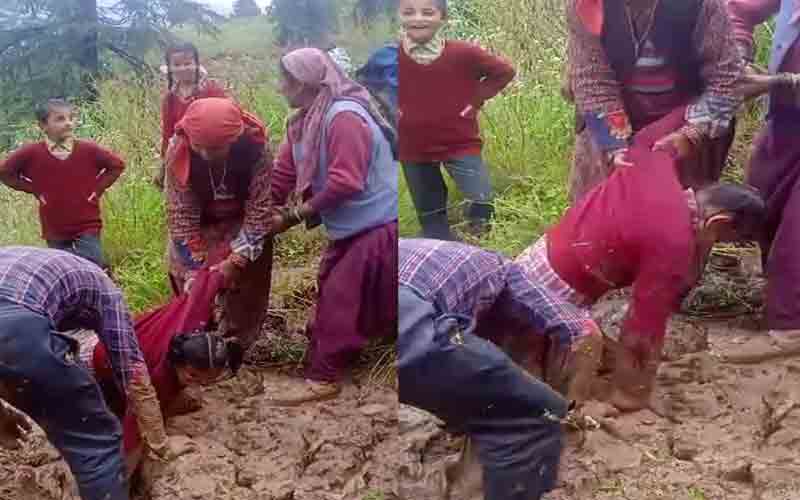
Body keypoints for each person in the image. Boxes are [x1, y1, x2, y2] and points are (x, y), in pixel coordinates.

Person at [514, 109, 766, 412]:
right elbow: (642, 329)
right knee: (552, 361)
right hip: (561, 290)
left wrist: (709, 107)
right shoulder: (674, 244)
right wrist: (633, 394)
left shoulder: (654, 159)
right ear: (718, 223)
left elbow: (672, 121)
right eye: (722, 240)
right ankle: (558, 404)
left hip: (532, 260)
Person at [398, 238, 600, 500]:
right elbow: (587, 335)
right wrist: (574, 407)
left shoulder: (445, 265)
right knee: (537, 414)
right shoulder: (508, 275)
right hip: (407, 320)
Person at [268, 48, 398, 405]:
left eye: (285, 80)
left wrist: (291, 217)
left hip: (377, 223)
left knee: (340, 297)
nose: (280, 87)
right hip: (350, 226)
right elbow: (283, 174)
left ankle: (324, 378)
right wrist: (261, 211)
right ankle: (359, 350)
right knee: (337, 288)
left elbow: (346, 182)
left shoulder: (344, 117)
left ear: (304, 82)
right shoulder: (303, 122)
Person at [0, 246, 176, 500]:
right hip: (15, 328)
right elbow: (133, 372)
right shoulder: (107, 292)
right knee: (97, 445)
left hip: (13, 321)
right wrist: (159, 442)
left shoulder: (19, 257)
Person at [564, 0, 743, 203]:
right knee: (604, 204)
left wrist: (692, 133)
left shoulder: (704, 5)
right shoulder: (585, 5)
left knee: (678, 207)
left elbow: (726, 77)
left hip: (684, 121)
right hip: (612, 119)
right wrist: (614, 145)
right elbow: (592, 78)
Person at [76, 270, 243, 475]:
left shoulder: (193, 319)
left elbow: (212, 278)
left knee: (191, 399)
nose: (202, 386)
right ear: (189, 373)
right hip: (88, 366)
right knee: (118, 422)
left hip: (111, 344)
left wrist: (227, 269)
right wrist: (127, 476)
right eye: (201, 380)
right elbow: (134, 431)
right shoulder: (158, 380)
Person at [721, 0, 800, 363]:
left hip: (787, 95)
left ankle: (789, 325)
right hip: (787, 117)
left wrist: (774, 83)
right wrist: (739, 54)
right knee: (761, 198)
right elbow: (740, 8)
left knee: (796, 229)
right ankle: (781, 294)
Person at [398, 0, 516, 240]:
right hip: (413, 148)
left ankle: (479, 244)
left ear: (442, 18)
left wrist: (475, 101)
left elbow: (504, 72)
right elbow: (370, 85)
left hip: (459, 142)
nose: (418, 18)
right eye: (409, 12)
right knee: (429, 213)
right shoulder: (390, 56)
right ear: (399, 17)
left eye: (427, 12)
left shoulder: (463, 53)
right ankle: (440, 245)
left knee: (482, 201)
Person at [164, 97, 274, 350]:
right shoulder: (178, 151)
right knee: (193, 287)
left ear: (233, 140)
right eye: (199, 147)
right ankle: (198, 343)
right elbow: (181, 213)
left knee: (245, 286)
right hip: (200, 222)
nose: (205, 154)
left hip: (243, 219)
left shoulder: (256, 149)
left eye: (215, 149)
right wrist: (194, 270)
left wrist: (237, 260)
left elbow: (259, 211)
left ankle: (237, 344)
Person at [0, 99, 125, 269]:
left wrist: (96, 190)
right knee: (62, 269)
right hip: (54, 227)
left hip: (87, 223)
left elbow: (116, 165)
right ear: (43, 125)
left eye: (70, 118)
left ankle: (106, 283)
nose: (68, 123)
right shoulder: (31, 153)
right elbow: (5, 172)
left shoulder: (88, 150)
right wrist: (34, 189)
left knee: (93, 263)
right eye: (60, 119)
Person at [155, 42, 227, 188]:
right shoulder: (170, 99)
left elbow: (227, 120)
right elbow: (168, 134)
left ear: (196, 64)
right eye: (177, 64)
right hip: (183, 160)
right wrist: (163, 166)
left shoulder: (211, 90)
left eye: (187, 63)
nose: (183, 68)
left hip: (213, 155)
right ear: (170, 68)